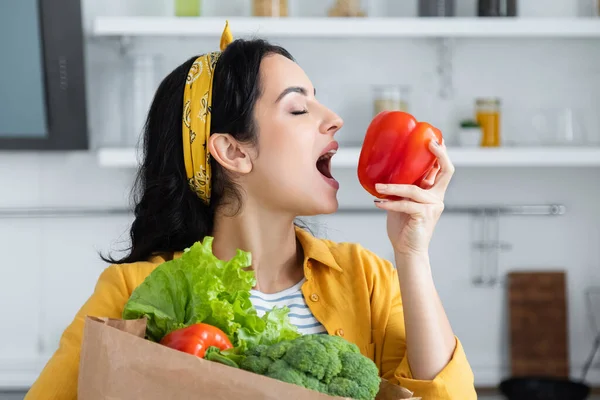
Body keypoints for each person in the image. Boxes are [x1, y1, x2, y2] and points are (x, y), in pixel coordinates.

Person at [25, 22, 476, 399]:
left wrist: (412, 253)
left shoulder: (367, 278)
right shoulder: (134, 290)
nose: (334, 117)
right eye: (298, 108)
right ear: (233, 151)